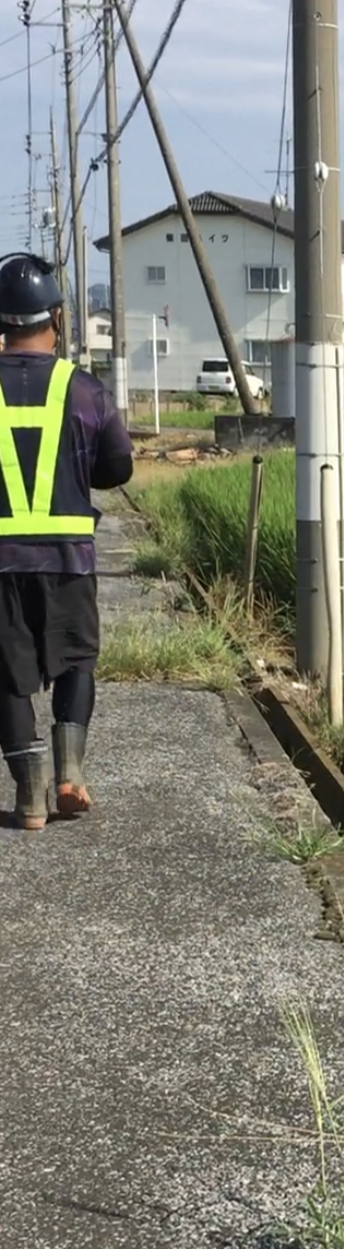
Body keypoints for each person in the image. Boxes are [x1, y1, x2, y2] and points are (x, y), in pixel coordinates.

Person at [0, 252, 134, 831]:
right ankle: (69, 774)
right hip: (68, 558)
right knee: (76, 660)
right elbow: (118, 468)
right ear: (56, 317)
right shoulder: (84, 390)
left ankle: (29, 798)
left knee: (7, 674)